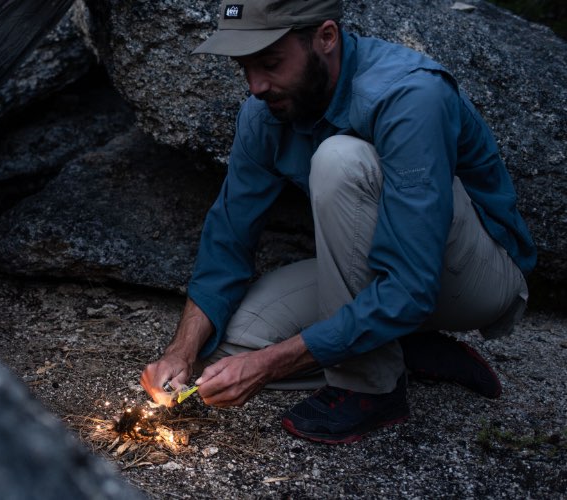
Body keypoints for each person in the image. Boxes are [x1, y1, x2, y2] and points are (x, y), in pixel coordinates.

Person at [140, 0, 536, 444]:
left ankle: (370, 388)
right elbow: (228, 238)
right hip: (389, 271)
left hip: (473, 279)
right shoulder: (266, 109)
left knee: (339, 160)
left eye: (270, 63)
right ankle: (405, 347)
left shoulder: (408, 96)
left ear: (326, 37)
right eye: (244, 67)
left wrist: (271, 364)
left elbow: (412, 283)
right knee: (232, 347)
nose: (255, 86)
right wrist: (182, 351)